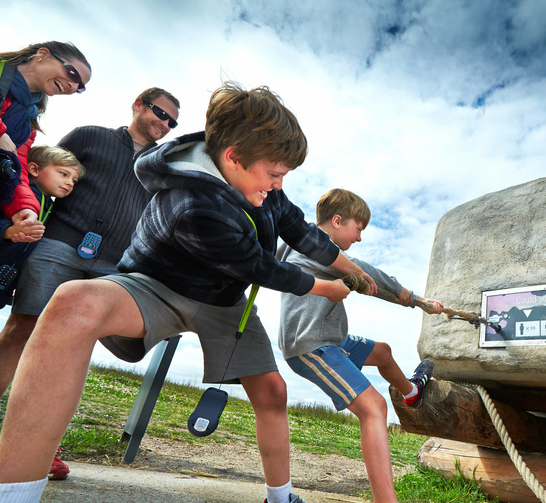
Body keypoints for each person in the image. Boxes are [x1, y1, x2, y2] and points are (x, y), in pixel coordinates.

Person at [0, 82, 377, 503]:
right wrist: (327, 288)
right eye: (274, 174)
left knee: (273, 391)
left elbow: (299, 230)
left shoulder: (263, 184)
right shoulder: (190, 202)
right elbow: (259, 266)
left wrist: (352, 269)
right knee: (72, 303)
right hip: (156, 286)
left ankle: (281, 496)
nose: (277, 184)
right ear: (233, 157)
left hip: (224, 300)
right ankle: (15, 492)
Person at [0, 86, 180, 479]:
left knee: (69, 351)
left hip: (115, 264)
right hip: (59, 244)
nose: (164, 123)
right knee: (21, 329)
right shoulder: (90, 135)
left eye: (171, 121)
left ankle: (41, 447)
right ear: (137, 104)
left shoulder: (164, 165)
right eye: (159, 112)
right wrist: (24, 213)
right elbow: (39, 167)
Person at [277, 188, 443, 503]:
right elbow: (367, 273)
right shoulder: (316, 248)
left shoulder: (301, 245)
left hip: (332, 340)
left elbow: (364, 279)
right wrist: (413, 298)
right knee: (374, 408)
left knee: (382, 351)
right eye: (359, 228)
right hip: (311, 347)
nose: (360, 237)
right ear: (337, 221)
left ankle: (411, 393)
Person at [0, 41, 91, 239]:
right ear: (42, 54)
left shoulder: (29, 120)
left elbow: (17, 169)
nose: (73, 86)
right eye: (73, 74)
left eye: (79, 87)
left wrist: (24, 208)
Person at [0, 145, 84, 308]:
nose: (70, 183)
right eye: (63, 174)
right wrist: (8, 231)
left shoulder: (48, 206)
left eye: (74, 180)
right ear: (34, 169)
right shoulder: (15, 192)